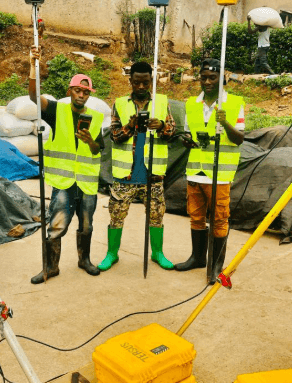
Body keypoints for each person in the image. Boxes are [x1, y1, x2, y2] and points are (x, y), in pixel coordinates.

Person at [28, 46, 104, 284]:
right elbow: (33, 96)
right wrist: (33, 66)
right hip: (63, 182)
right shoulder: (55, 110)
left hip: (87, 182)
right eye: (78, 90)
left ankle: (84, 260)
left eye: (85, 92)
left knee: (87, 225)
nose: (81, 95)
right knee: (57, 224)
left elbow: (97, 149)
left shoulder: (96, 117)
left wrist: (90, 140)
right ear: (70, 91)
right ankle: (51, 267)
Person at [98, 61, 176, 272]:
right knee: (117, 215)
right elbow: (114, 136)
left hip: (153, 173)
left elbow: (171, 134)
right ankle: (111, 253)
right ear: (130, 81)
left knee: (156, 215)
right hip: (126, 175)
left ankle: (157, 252)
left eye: (146, 82)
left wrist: (161, 126)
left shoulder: (161, 102)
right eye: (137, 82)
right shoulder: (120, 104)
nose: (141, 87)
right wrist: (130, 126)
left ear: (151, 81)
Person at [175, 58, 245, 283]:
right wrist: (186, 140)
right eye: (203, 77)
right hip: (195, 170)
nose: (207, 81)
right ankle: (197, 257)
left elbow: (239, 139)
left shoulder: (234, 103)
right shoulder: (191, 103)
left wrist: (225, 123)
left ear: (221, 78)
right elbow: (188, 133)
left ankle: (216, 265)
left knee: (219, 219)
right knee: (196, 216)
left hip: (220, 173)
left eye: (212, 77)